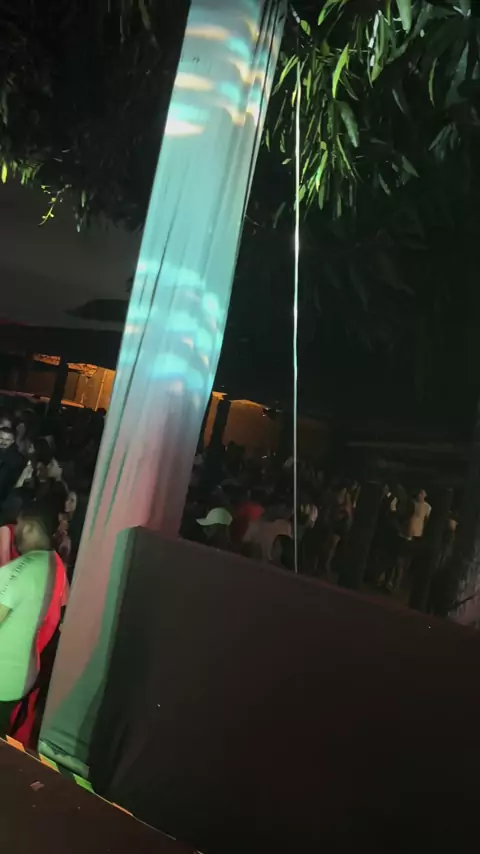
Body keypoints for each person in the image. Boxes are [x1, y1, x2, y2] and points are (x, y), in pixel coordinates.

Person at [0, 498, 68, 737]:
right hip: (21, 675)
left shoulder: (17, 571)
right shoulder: (54, 563)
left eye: (19, 525)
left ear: (28, 527)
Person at [0, 426, 25, 505]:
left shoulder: (17, 458)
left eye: (7, 439)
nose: (3, 442)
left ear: (13, 441)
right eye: (1, 438)